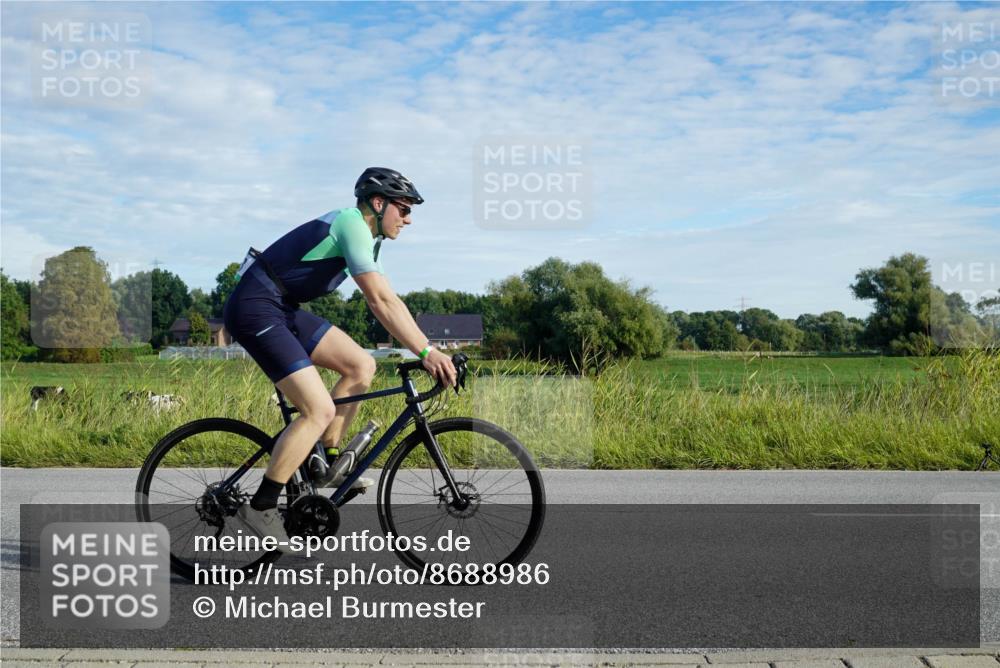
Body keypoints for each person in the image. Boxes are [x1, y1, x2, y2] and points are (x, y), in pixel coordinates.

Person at [223, 167, 457, 550]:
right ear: (378, 203)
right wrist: (428, 353)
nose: (408, 219)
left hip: (281, 307)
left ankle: (327, 463)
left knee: (361, 365)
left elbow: (389, 299)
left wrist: (426, 347)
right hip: (256, 307)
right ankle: (261, 506)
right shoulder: (351, 224)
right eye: (403, 209)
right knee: (318, 410)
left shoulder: (368, 238)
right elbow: (379, 301)